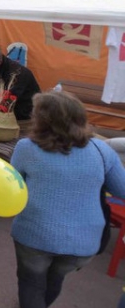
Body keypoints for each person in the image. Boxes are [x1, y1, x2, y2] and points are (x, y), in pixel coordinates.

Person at [10, 92, 125, 308]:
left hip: (34, 232)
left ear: (42, 119)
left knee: (31, 284)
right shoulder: (102, 151)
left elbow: (12, 186)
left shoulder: (27, 148)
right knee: (55, 279)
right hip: (83, 241)